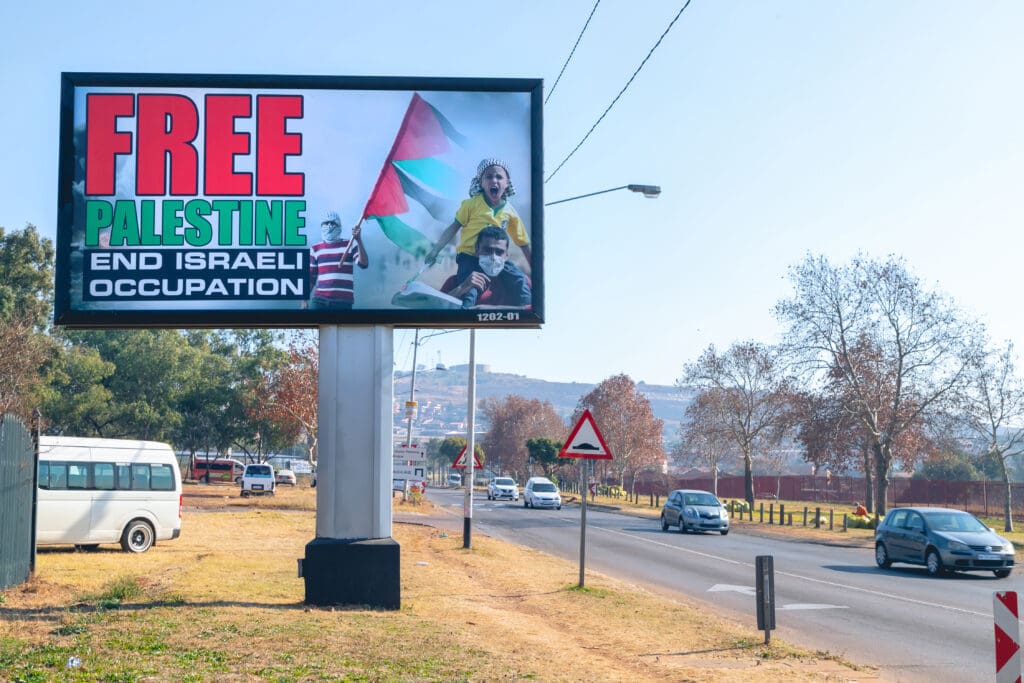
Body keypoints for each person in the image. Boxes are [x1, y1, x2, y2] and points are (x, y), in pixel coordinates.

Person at [424, 158, 531, 307]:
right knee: (472, 289)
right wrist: (435, 250)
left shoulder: (510, 212)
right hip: (469, 257)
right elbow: (453, 228)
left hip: (496, 257)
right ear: (480, 182)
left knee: (520, 280)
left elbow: (523, 243)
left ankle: (528, 311)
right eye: (488, 177)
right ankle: (467, 313)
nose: (494, 180)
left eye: (499, 177)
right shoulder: (471, 204)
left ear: (507, 183)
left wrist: (536, 269)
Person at [441, 226, 531, 308]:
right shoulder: (456, 282)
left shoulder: (522, 282)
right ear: (477, 251)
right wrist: (461, 288)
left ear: (507, 255)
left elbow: (533, 313)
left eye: (499, 252)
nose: (493, 257)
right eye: (487, 250)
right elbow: (436, 308)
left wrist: (491, 311)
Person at [308, 211, 368, 309]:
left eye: (333, 223)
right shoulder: (315, 248)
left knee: (342, 325)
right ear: (321, 225)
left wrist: (358, 240)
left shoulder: (350, 244)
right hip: (320, 301)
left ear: (339, 226)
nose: (329, 226)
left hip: (342, 302)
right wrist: (304, 300)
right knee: (312, 324)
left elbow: (364, 264)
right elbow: (311, 278)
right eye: (326, 223)